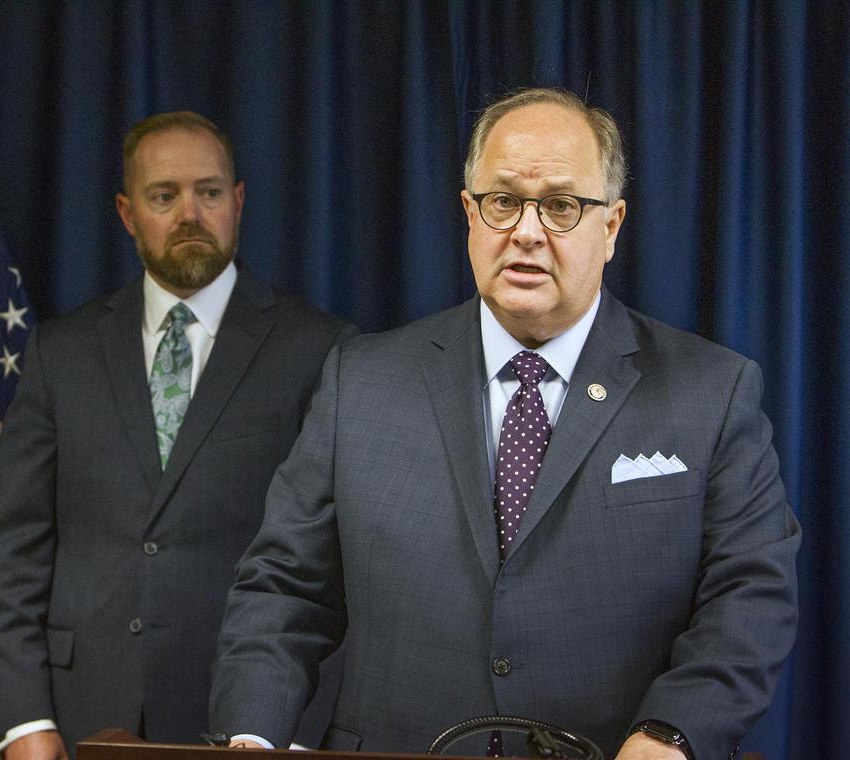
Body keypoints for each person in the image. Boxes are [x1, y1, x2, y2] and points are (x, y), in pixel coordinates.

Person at [209, 88, 800, 760]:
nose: (525, 231)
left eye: (560, 205)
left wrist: (670, 733)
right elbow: (283, 586)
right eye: (503, 201)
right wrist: (250, 735)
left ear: (611, 227)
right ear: (469, 213)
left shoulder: (712, 392)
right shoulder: (360, 380)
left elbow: (749, 596)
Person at [0, 111, 356, 759]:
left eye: (209, 192)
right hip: (79, 716)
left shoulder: (319, 350)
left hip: (246, 719)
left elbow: (338, 565)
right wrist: (23, 721)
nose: (189, 213)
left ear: (237, 202)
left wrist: (292, 732)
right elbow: (13, 556)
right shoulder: (59, 352)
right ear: (128, 214)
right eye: (164, 196)